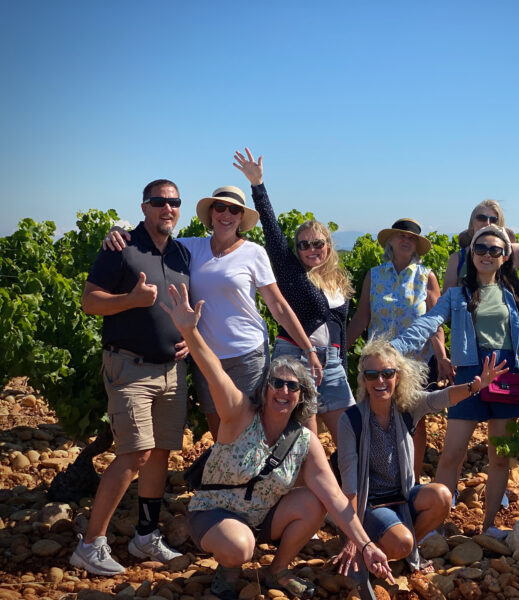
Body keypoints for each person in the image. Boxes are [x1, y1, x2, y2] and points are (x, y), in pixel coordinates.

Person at [161, 283, 393, 600]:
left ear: (301, 397)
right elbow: (213, 370)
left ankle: (277, 571)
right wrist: (189, 332)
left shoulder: (304, 441)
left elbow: (337, 500)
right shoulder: (239, 414)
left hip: (262, 517)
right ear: (266, 388)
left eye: (292, 387)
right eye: (277, 383)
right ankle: (227, 572)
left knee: (315, 501)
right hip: (214, 512)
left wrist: (365, 544)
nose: (284, 391)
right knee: (240, 546)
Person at [102, 186, 322, 440]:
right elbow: (151, 240)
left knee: (248, 432)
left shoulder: (254, 253)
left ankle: (250, 481)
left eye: (234, 209)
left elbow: (280, 307)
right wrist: (118, 232)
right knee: (220, 434)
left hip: (247, 356)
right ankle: (226, 480)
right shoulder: (189, 248)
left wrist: (309, 349)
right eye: (220, 207)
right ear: (211, 213)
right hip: (206, 358)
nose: (226, 214)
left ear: (241, 217)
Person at [391, 225, 519, 538]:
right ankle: (434, 526)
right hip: (470, 374)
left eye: (494, 250)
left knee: (500, 457)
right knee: (452, 455)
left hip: (508, 374)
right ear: (472, 255)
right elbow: (427, 323)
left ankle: (489, 526)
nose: (486, 254)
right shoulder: (457, 295)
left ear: (505, 256)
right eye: (480, 249)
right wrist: (394, 350)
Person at [70, 179, 190, 576]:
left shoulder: (180, 253)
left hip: (173, 370)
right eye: (159, 202)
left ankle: (145, 536)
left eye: (173, 202)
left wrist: (190, 339)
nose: (167, 209)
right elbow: (89, 301)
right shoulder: (121, 247)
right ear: (144, 207)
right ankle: (90, 545)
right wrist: (131, 301)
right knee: (134, 453)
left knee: (160, 452)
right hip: (129, 368)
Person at [333, 339, 508, 574]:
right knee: (402, 543)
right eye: (372, 374)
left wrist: (475, 387)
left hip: (403, 495)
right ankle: (379, 544)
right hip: (371, 503)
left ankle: (397, 545)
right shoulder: (351, 420)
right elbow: (350, 484)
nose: (380, 381)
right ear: (364, 379)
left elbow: (442, 398)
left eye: (387, 373)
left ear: (398, 376)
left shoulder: (407, 407)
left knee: (442, 495)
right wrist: (353, 538)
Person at [234, 148, 355, 443]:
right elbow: (273, 231)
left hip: (333, 364)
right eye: (303, 245)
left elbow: (338, 330)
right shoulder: (291, 274)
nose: (311, 249)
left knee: (352, 437)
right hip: (296, 360)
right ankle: (307, 489)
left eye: (317, 243)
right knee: (306, 441)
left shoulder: (339, 281)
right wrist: (257, 185)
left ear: (328, 245)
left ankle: (346, 490)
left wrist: (342, 365)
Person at [347, 218, 455, 480]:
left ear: (417, 245)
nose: (406, 240)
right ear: (391, 242)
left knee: (413, 422)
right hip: (378, 365)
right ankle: (379, 481)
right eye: (401, 236)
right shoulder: (374, 275)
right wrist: (340, 352)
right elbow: (362, 316)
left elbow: (434, 321)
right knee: (376, 421)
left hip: (413, 364)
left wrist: (441, 356)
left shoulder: (426, 277)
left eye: (412, 238)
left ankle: (413, 481)